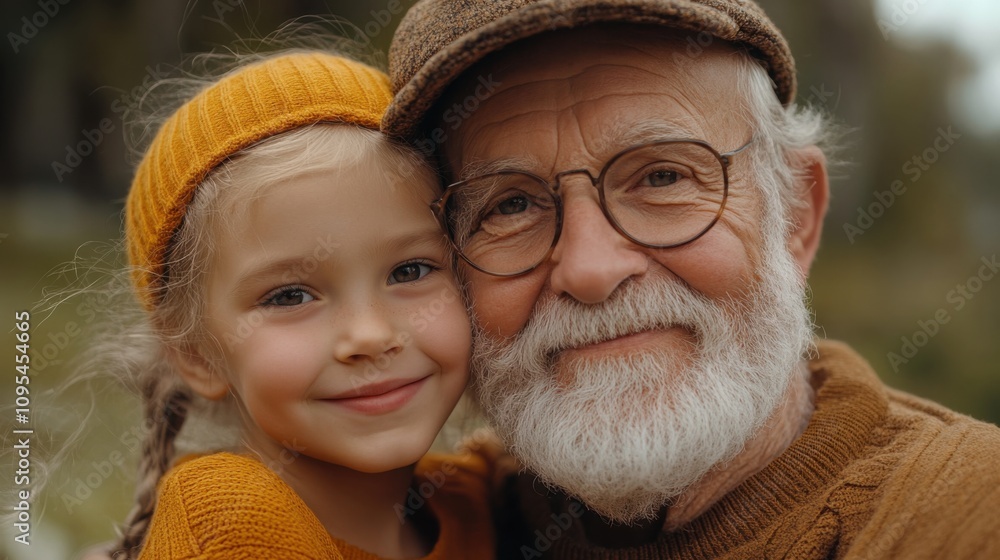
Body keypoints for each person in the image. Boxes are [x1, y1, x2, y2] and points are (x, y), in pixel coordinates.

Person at [381, 0, 1000, 557]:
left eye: (663, 177)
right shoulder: (425, 518)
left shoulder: (964, 516)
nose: (591, 270)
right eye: (510, 206)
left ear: (796, 216)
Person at [80, 45, 493, 559]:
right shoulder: (230, 520)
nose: (368, 335)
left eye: (409, 271)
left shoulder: (475, 500)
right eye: (289, 296)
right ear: (196, 354)